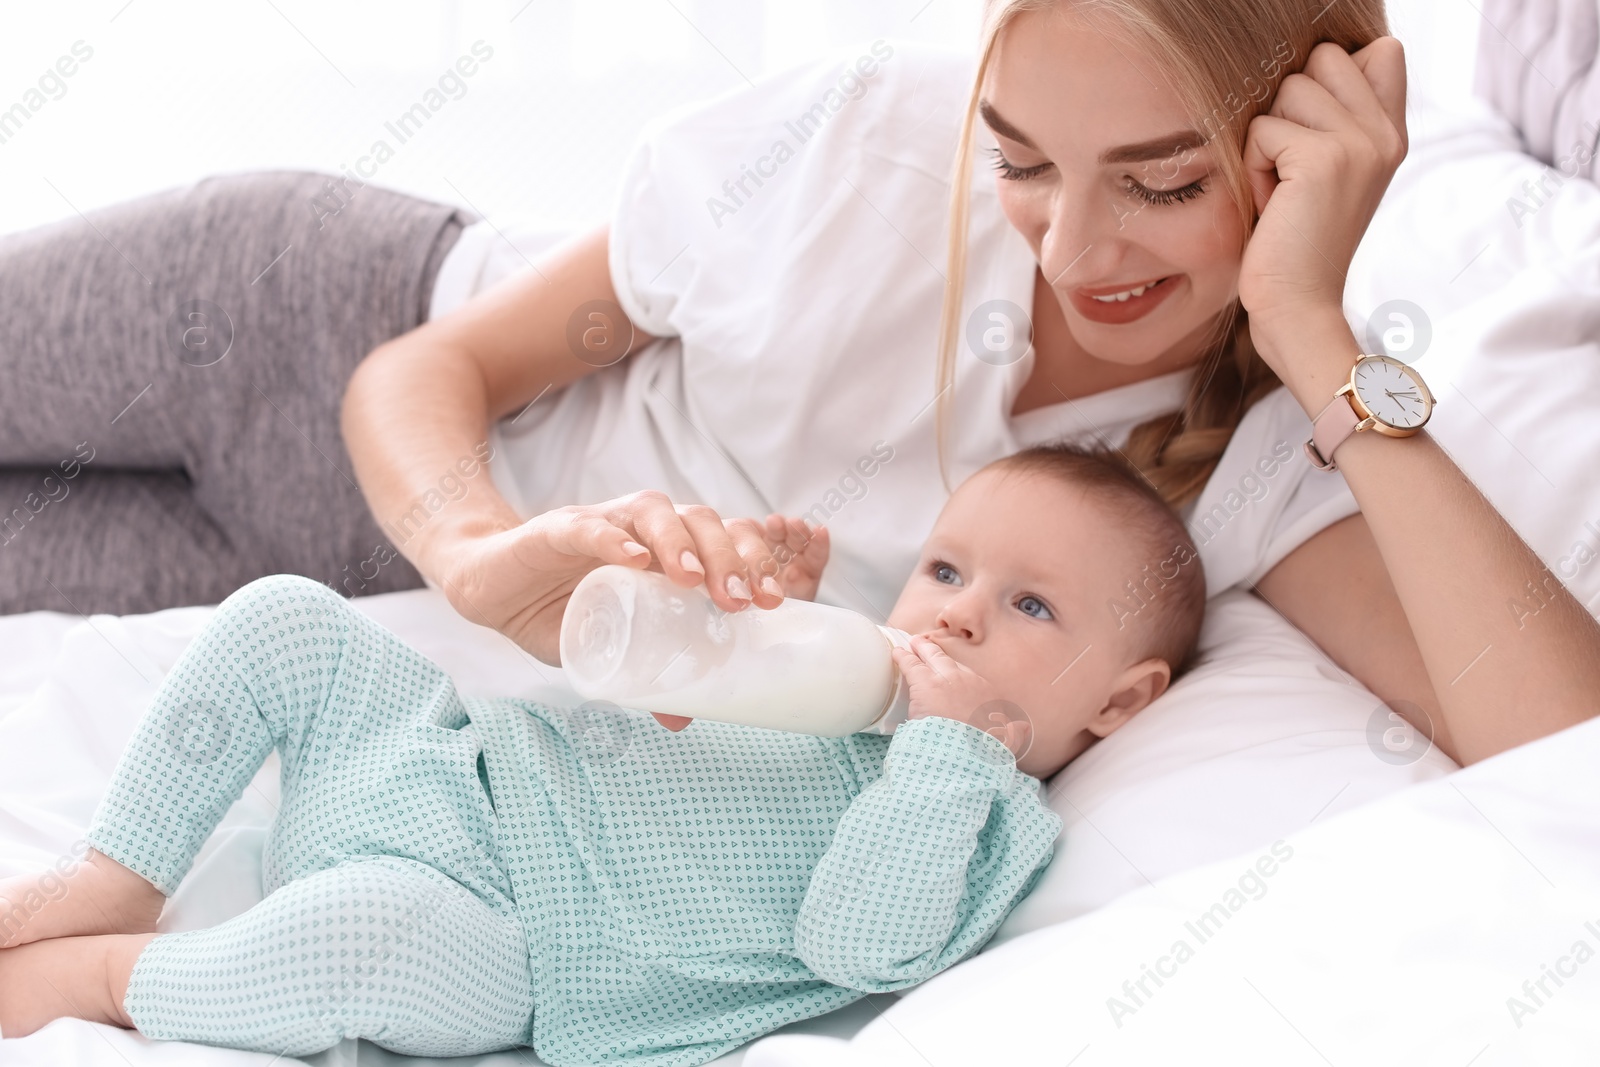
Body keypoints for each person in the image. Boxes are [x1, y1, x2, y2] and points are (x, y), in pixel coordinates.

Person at [1, 0, 1595, 771]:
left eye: (1165, 183)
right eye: (1026, 162)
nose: (1076, 245)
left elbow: (1559, 743)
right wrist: (484, 560)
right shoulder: (864, 137)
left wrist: (1312, 326)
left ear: (1297, 156)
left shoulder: (1254, 458)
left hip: (323, 572)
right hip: (290, 319)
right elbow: (434, 361)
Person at [0, 443, 1204, 1064]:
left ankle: (110, 976)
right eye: (947, 569)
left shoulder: (982, 816)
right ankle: (125, 868)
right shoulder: (839, 662)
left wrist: (942, 758)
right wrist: (740, 615)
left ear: (1118, 703)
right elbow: (630, 682)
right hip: (448, 758)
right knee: (283, 613)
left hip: (508, 933)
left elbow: (855, 940)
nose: (955, 613)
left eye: (1030, 607)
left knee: (355, 932)